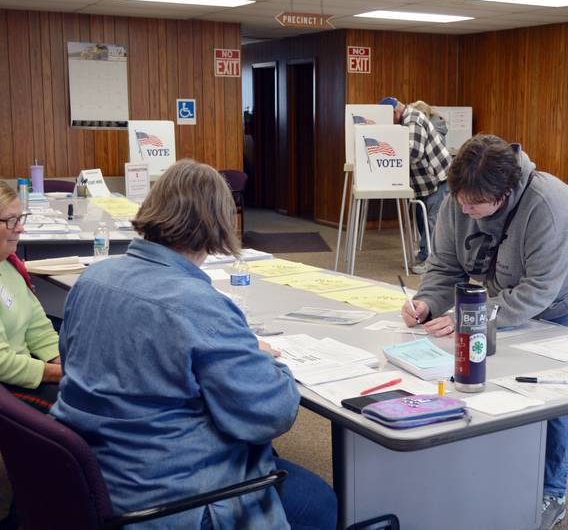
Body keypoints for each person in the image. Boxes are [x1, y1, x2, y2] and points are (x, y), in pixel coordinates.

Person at [51, 161, 336, 530]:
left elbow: (73, 362)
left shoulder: (93, 278)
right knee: (318, 502)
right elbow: (269, 414)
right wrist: (266, 359)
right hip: (167, 499)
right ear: (218, 221)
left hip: (94, 474)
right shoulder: (197, 305)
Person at [401, 134, 568, 530]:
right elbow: (445, 264)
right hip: (509, 287)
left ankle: (550, 493)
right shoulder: (462, 197)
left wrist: (476, 315)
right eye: (461, 201)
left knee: (555, 388)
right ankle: (504, 468)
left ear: (504, 194)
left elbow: (540, 290)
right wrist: (427, 303)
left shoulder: (547, 207)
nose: (464, 210)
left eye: (475, 205)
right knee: (495, 364)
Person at [0, 181, 61, 413]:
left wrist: (65, 362)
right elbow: (2, 364)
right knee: (87, 406)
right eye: (11, 221)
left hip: (23, 370)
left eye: (20, 219)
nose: (20, 228)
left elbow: (39, 329)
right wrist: (59, 374)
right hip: (7, 385)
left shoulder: (9, 265)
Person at [379, 96, 452, 274]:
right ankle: (425, 252)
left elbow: (414, 152)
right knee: (422, 218)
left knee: (434, 223)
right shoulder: (406, 119)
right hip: (424, 183)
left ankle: (434, 264)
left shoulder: (413, 119)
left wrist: (388, 160)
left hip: (437, 178)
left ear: (395, 113)